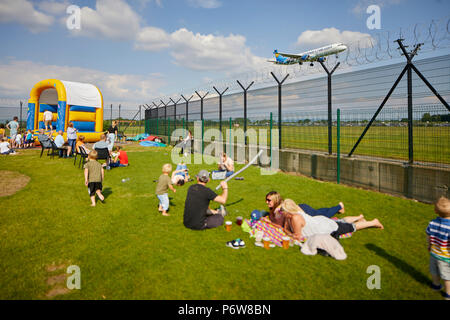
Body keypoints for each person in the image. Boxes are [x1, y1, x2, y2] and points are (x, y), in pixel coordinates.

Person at [278, 199, 384, 242]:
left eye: (282, 211)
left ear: (288, 210)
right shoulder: (291, 215)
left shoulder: (295, 218)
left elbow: (297, 236)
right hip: (320, 222)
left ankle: (373, 222)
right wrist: (286, 229)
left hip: (324, 228)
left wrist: (286, 231)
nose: (281, 213)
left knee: (351, 227)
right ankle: (359, 218)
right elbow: (287, 228)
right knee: (341, 221)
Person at [265, 191, 345, 225]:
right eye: (266, 200)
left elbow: (279, 223)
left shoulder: (279, 209)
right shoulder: (276, 207)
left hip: (305, 211)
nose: (266, 202)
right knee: (318, 212)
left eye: (269, 200)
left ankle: (339, 206)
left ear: (275, 200)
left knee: (322, 215)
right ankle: (339, 209)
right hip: (302, 207)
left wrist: (268, 221)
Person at [426, 196, 450, 300]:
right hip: (445, 257)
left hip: (434, 253)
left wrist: (429, 246)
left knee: (434, 271)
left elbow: (428, 236)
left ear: (436, 211)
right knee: (446, 275)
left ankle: (436, 285)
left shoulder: (432, 223)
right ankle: (448, 293)